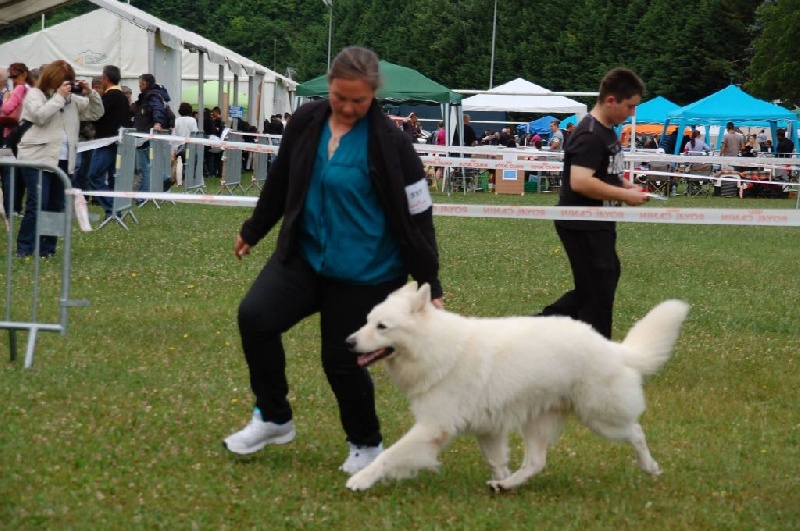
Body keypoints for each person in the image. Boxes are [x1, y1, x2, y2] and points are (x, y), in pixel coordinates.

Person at [224, 46, 443, 475]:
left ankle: (365, 444)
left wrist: (430, 282)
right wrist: (253, 229)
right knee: (255, 317)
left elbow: (419, 214)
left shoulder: (392, 144)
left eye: (358, 100)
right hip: (304, 257)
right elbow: (282, 179)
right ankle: (272, 417)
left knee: (340, 358)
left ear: (374, 95)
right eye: (340, 97)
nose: (347, 107)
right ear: (330, 86)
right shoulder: (306, 122)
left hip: (367, 273)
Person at [537, 67, 649, 340]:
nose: (632, 113)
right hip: (582, 224)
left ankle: (535, 330)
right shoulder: (589, 134)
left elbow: (604, 175)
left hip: (599, 222)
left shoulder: (607, 130)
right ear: (611, 100)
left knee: (598, 285)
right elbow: (581, 181)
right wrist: (625, 196)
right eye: (629, 106)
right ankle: (596, 351)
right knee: (597, 292)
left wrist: (625, 186)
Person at [16, 59, 103, 257]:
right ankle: (25, 248)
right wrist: (58, 98)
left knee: (57, 205)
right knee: (38, 203)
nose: (67, 86)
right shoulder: (35, 95)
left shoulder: (72, 100)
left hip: (64, 159)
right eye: (63, 82)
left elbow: (96, 113)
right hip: (37, 158)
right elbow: (39, 116)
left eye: (69, 82)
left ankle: (47, 249)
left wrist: (91, 93)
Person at [85, 65, 131, 217]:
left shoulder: (110, 96)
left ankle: (112, 206)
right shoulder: (123, 97)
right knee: (112, 179)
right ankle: (113, 211)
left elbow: (97, 115)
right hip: (118, 143)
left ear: (105, 78)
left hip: (106, 143)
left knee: (93, 175)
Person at [2, 63, 33, 217]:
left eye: (14, 76)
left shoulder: (19, 89)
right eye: (11, 77)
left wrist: (6, 98)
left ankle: (9, 207)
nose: (13, 79)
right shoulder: (30, 90)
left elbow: (7, 109)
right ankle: (17, 207)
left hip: (11, 133)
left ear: (24, 74)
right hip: (24, 133)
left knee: (9, 173)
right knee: (20, 173)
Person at [132, 73, 171, 196]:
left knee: (145, 167)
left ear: (145, 84)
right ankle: (165, 178)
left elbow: (157, 108)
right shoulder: (151, 95)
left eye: (141, 83)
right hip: (145, 135)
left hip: (146, 135)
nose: (139, 86)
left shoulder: (152, 96)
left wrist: (157, 123)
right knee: (150, 164)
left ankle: (141, 196)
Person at [171, 102, 198, 183]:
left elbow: (174, 135)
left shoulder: (177, 120)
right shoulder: (192, 120)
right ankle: (191, 179)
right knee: (191, 163)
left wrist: (174, 149)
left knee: (179, 164)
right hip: (190, 145)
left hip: (179, 146)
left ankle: (179, 180)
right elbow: (194, 132)